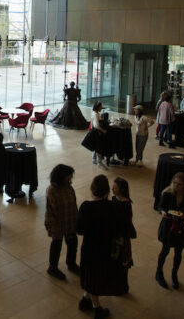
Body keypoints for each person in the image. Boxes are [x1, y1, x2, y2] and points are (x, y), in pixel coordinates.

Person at [77, 175, 130, 318]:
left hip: (89, 247)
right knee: (96, 277)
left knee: (91, 275)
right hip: (104, 248)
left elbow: (80, 230)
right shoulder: (113, 207)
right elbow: (118, 228)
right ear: (107, 190)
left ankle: (86, 300)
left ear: (92, 189)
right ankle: (96, 307)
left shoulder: (85, 207)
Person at [155, 171, 184, 290]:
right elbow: (160, 207)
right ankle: (159, 273)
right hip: (168, 225)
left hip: (182, 227)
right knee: (165, 250)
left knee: (178, 252)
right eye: (174, 183)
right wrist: (162, 212)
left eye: (179, 184)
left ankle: (174, 275)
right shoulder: (167, 194)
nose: (176, 186)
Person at [44, 164, 79, 280]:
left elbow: (74, 204)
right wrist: (53, 230)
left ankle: (71, 263)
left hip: (70, 223)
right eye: (68, 177)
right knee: (56, 246)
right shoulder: (52, 190)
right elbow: (50, 212)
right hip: (58, 225)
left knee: (73, 244)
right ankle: (52, 267)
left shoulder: (69, 187)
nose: (70, 179)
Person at [88, 101, 107, 166]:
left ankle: (94, 159)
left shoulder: (94, 113)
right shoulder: (96, 114)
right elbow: (96, 125)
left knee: (95, 146)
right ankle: (99, 162)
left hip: (93, 131)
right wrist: (103, 130)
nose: (101, 108)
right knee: (98, 147)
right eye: (101, 107)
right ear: (98, 107)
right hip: (96, 132)